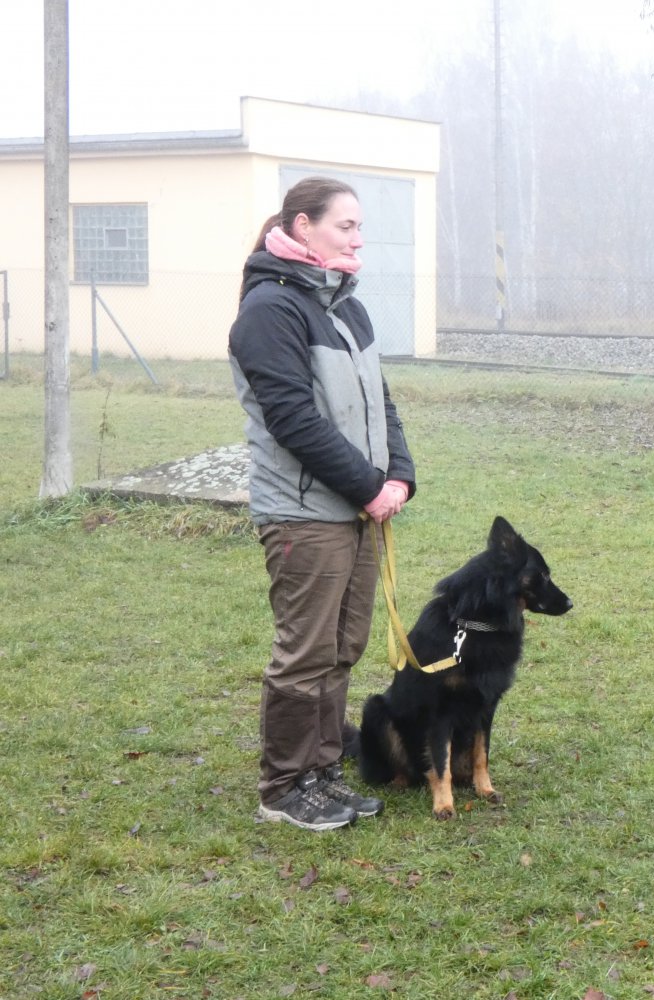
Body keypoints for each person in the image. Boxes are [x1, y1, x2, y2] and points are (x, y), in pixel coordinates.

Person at [229, 176, 417, 832]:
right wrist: (368, 486)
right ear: (303, 226)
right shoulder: (270, 309)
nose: (358, 238)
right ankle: (284, 786)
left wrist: (399, 475)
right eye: (346, 226)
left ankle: (323, 770)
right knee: (305, 653)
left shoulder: (347, 306)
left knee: (342, 648)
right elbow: (292, 419)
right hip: (303, 514)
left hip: (356, 509)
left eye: (360, 227)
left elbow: (380, 401)